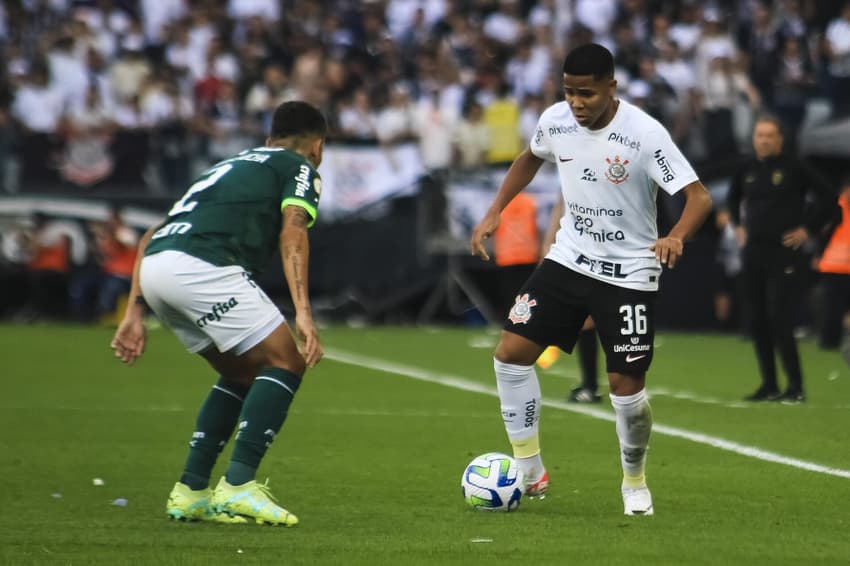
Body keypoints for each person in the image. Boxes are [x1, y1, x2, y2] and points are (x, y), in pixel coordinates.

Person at [470, 43, 712, 516]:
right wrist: (494, 211)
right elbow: (529, 157)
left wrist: (676, 236)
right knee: (510, 355)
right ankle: (529, 468)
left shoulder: (645, 134)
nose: (577, 103)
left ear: (611, 88)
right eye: (569, 92)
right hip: (569, 259)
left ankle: (634, 480)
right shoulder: (556, 120)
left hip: (629, 272)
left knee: (625, 388)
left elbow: (698, 197)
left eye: (587, 94)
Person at [110, 100, 326, 526]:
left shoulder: (231, 165)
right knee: (286, 360)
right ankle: (240, 485)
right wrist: (303, 311)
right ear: (317, 146)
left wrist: (135, 311)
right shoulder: (298, 166)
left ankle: (191, 490)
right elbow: (294, 228)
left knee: (242, 373)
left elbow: (152, 233)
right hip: (202, 266)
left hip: (155, 268)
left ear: (268, 140)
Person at [726, 115, 839, 403]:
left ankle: (796, 387)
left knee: (779, 317)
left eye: (769, 135)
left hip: (784, 252)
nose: (763, 140)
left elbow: (829, 199)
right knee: (757, 319)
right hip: (754, 250)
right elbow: (732, 198)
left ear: (779, 139)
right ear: (754, 139)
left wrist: (807, 229)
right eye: (759, 135)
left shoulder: (794, 167)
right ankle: (769, 385)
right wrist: (738, 226)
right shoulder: (747, 168)